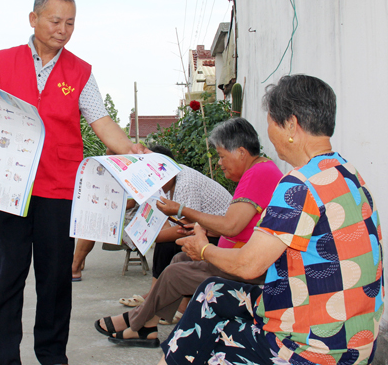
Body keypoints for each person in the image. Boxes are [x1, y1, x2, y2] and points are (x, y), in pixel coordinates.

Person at [0, 0, 145, 365]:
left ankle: (51, 355)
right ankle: (5, 359)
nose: (63, 30)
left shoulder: (80, 72)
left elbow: (102, 121)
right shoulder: (3, 61)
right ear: (34, 19)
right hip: (10, 187)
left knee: (56, 281)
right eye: (56, 21)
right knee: (8, 278)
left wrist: (130, 149)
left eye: (70, 23)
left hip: (59, 190)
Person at [158, 75, 383, 364]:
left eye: (270, 123)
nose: (268, 133)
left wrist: (202, 249)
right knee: (212, 291)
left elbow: (248, 265)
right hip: (358, 338)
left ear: (290, 124)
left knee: (210, 340)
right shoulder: (350, 175)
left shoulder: (299, 185)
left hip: (315, 348)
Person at [95, 117, 283, 348]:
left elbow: (231, 226)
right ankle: (147, 325)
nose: (220, 163)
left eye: (222, 156)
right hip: (234, 254)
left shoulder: (258, 173)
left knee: (175, 272)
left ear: (241, 152)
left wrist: (182, 211)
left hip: (244, 265)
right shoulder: (259, 171)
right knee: (179, 260)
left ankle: (135, 321)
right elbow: (238, 225)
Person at [72, 145, 231, 285]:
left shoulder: (185, 182)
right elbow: (172, 219)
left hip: (222, 234)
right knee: (164, 242)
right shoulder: (168, 180)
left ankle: (157, 293)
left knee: (166, 243)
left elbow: (188, 224)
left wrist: (154, 237)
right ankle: (156, 292)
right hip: (204, 228)